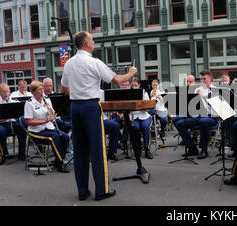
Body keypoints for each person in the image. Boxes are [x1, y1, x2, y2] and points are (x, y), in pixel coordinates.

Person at [61, 31, 137, 201]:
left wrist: (78, 92)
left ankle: (82, 191)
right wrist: (131, 73)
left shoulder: (69, 63)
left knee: (80, 151)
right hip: (90, 106)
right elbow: (117, 80)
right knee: (98, 149)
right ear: (86, 43)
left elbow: (63, 89)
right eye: (92, 40)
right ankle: (101, 191)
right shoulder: (94, 62)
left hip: (75, 106)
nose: (94, 42)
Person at [24, 81, 70, 173]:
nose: (41, 92)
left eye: (42, 89)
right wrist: (45, 120)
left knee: (65, 136)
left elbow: (52, 113)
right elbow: (29, 122)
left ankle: (58, 159)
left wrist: (52, 113)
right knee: (55, 138)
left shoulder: (47, 99)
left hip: (49, 128)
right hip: (36, 131)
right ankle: (60, 162)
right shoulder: (29, 103)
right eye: (39, 90)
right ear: (33, 92)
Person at [0, 83, 27, 165]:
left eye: (7, 92)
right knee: (1, 132)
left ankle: (22, 153)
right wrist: (2, 119)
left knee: (22, 130)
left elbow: (21, 114)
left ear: (9, 92)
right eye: (4, 92)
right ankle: (3, 155)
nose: (6, 94)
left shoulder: (14, 101)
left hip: (12, 123)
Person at [129, 77, 154, 159]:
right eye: (132, 85)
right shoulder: (129, 93)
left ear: (139, 85)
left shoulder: (144, 93)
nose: (134, 87)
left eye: (136, 85)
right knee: (135, 128)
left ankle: (147, 150)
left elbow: (147, 108)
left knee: (146, 127)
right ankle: (138, 147)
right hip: (134, 116)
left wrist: (139, 106)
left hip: (144, 115)